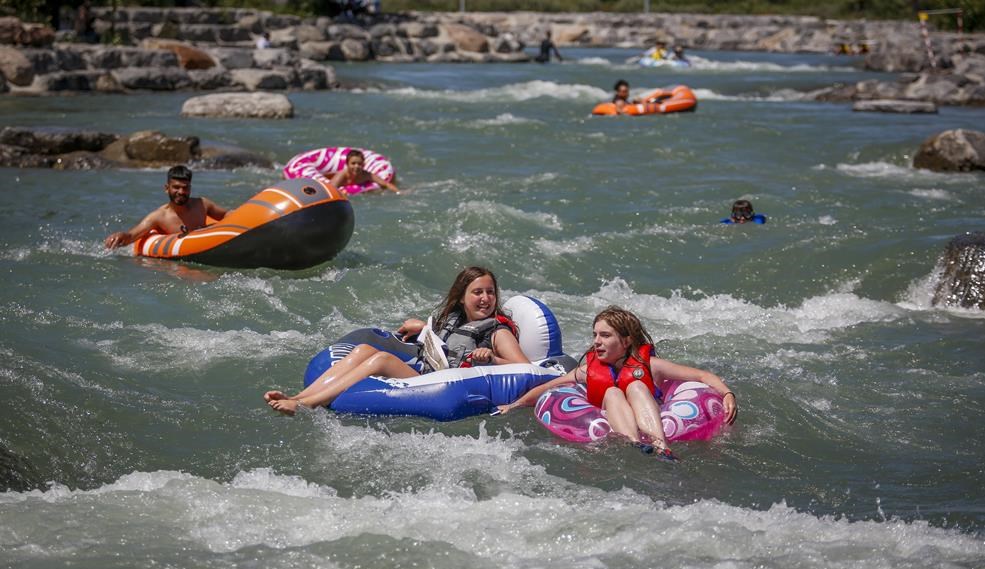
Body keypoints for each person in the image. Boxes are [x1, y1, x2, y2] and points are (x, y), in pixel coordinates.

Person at [264, 266, 530, 415]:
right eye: (477, 292)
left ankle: (307, 404)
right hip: (429, 370)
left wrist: (492, 358)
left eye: (490, 292)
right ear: (461, 297)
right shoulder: (457, 319)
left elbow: (524, 369)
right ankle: (299, 396)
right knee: (364, 349)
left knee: (381, 358)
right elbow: (444, 344)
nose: (485, 298)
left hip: (446, 383)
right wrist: (423, 328)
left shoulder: (497, 332)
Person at [497, 306, 737, 461]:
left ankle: (662, 446)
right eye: (595, 335)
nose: (597, 342)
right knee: (611, 392)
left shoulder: (651, 365)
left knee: (636, 386)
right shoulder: (588, 371)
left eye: (605, 336)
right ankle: (635, 444)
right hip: (614, 420)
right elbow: (549, 388)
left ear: (626, 341)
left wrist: (727, 394)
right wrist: (515, 405)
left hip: (653, 415)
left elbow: (702, 377)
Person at [104, 165, 229, 249]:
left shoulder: (202, 204)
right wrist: (121, 236)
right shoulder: (159, 216)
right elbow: (132, 236)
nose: (181, 191)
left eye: (185, 187)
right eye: (176, 187)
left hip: (208, 246)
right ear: (166, 188)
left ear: (190, 188)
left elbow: (228, 215)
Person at [329, 149, 401, 194]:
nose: (356, 166)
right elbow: (330, 189)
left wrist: (399, 192)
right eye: (353, 163)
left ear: (363, 164)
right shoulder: (341, 175)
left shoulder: (366, 175)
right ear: (347, 164)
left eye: (359, 164)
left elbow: (385, 184)